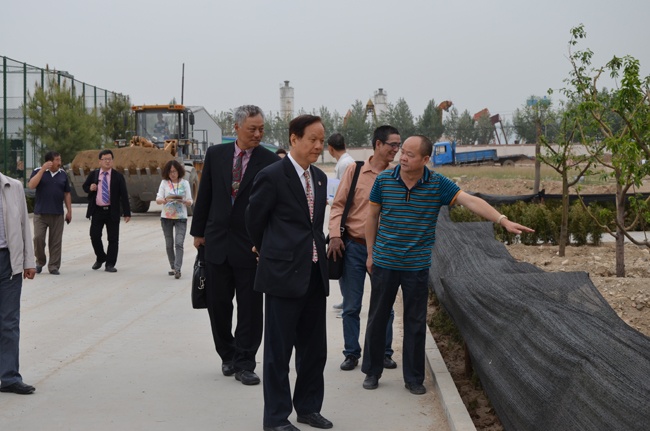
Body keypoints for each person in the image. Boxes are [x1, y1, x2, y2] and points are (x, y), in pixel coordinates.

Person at [361, 135, 534, 395]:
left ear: (425, 159)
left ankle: (414, 378)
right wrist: (370, 253)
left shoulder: (437, 184)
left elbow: (470, 200)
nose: (402, 157)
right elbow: (372, 216)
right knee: (377, 317)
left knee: (415, 322)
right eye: (402, 151)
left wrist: (502, 219)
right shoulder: (384, 180)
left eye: (409, 154)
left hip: (417, 266)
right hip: (386, 262)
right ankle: (372, 371)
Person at [247, 115, 333, 431]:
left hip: (314, 274)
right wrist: (270, 252)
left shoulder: (320, 178)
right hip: (282, 276)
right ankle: (276, 418)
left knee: (314, 350)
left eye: (321, 140)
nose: (318, 146)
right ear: (294, 138)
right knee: (278, 353)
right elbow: (254, 221)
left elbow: (314, 226)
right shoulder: (272, 176)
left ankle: (308, 408)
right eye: (312, 139)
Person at [190, 105, 279, 386]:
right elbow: (205, 194)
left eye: (261, 129)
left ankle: (245, 362)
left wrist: (268, 241)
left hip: (251, 246)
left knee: (250, 308)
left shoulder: (269, 161)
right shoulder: (216, 155)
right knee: (217, 304)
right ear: (237, 128)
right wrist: (198, 232)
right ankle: (227, 354)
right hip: (216, 241)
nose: (258, 134)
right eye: (252, 129)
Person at [327, 125, 401, 372]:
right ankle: (351, 353)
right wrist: (335, 235)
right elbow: (338, 205)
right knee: (351, 305)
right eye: (392, 144)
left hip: (384, 250)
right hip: (354, 247)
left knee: (385, 306)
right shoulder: (355, 170)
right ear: (378, 144)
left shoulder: (397, 175)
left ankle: (384, 352)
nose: (396, 149)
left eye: (398, 145)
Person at [0, 170, 36, 395]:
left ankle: (9, 377)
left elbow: (24, 225)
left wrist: (28, 261)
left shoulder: (13, 187)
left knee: (9, 322)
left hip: (8, 262)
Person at [82, 149, 131, 273]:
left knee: (113, 239)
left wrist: (127, 212)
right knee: (94, 236)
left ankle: (110, 264)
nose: (107, 161)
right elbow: (85, 187)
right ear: (100, 161)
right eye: (105, 159)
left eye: (110, 159)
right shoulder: (94, 174)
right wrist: (90, 188)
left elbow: (124, 195)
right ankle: (101, 257)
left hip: (112, 211)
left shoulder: (118, 176)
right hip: (97, 210)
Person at [27, 151, 72, 275]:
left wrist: (69, 211)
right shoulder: (38, 171)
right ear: (49, 162)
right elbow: (31, 185)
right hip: (40, 213)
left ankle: (53, 266)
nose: (59, 162)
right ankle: (39, 262)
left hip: (57, 213)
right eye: (57, 160)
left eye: (60, 160)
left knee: (56, 241)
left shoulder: (63, 174)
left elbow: (67, 193)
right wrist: (42, 170)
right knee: (38, 238)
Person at [327, 132, 354, 311]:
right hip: (343, 216)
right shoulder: (346, 161)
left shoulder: (345, 164)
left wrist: (331, 201)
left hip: (344, 219)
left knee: (344, 264)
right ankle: (347, 300)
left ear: (330, 149)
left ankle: (349, 302)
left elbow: (345, 194)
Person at [156, 160, 193, 279]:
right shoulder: (164, 183)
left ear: (179, 171)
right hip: (166, 218)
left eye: (175, 171)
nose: (172, 174)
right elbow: (158, 199)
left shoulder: (185, 183)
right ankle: (173, 266)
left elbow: (190, 201)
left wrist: (185, 201)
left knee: (179, 243)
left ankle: (178, 269)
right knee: (169, 244)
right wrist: (165, 200)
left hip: (181, 217)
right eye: (170, 172)